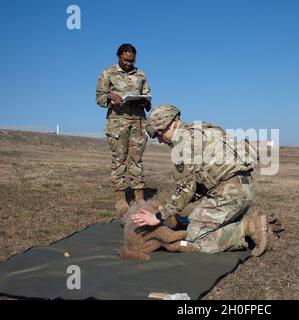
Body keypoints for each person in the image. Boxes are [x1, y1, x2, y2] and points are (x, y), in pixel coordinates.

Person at [131, 104, 268, 256]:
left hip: (228, 194)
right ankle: (260, 226)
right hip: (244, 189)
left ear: (166, 126)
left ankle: (248, 227)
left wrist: (158, 217)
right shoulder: (202, 129)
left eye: (158, 135)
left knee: (193, 240)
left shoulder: (182, 144)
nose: (160, 141)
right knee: (192, 223)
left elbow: (186, 190)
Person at [96, 43, 151, 216]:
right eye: (126, 60)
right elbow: (99, 98)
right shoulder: (107, 73)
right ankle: (120, 199)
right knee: (119, 159)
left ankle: (139, 197)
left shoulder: (140, 74)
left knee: (137, 160)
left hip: (138, 123)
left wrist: (144, 101)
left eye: (132, 61)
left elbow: (148, 98)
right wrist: (109, 96)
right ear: (118, 56)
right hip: (117, 124)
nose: (128, 63)